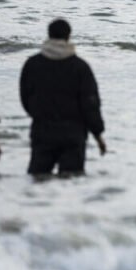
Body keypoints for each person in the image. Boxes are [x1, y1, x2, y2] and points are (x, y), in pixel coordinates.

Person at [20, 19, 106, 175]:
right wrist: (98, 134)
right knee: (71, 183)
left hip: (42, 131)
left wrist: (39, 115)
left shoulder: (33, 64)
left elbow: (25, 98)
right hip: (73, 134)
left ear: (49, 35)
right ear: (68, 36)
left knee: (38, 180)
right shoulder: (80, 67)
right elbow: (90, 104)